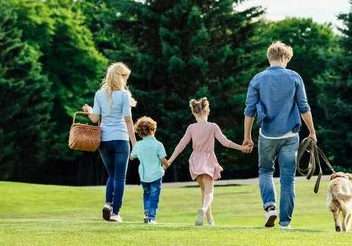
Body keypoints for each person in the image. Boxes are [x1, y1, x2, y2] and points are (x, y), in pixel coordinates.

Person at [243, 41, 317, 229]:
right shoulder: (294, 77)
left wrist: (247, 136)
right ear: (284, 58)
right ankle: (285, 223)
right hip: (290, 135)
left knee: (265, 171)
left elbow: (249, 110)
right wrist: (312, 131)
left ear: (270, 58)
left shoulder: (257, 79)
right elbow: (303, 107)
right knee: (287, 179)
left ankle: (270, 208)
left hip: (267, 135)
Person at [167, 97, 252, 226]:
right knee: (209, 193)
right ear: (208, 111)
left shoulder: (191, 128)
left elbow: (181, 145)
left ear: (194, 113)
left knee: (203, 191)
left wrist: (169, 161)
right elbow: (225, 142)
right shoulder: (212, 126)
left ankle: (210, 221)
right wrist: (242, 148)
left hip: (195, 161)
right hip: (207, 161)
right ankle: (204, 209)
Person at [82, 62, 137, 223]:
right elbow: (128, 120)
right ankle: (115, 213)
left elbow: (94, 119)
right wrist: (134, 143)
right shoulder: (124, 96)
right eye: (126, 78)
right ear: (120, 77)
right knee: (120, 177)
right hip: (120, 139)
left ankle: (108, 204)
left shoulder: (99, 94)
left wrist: (89, 111)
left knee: (112, 175)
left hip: (104, 140)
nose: (126, 81)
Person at [129, 116, 169, 224]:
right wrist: (167, 164)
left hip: (144, 175)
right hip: (156, 175)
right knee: (154, 196)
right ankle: (151, 218)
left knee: (146, 194)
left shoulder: (138, 145)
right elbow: (163, 160)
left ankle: (147, 214)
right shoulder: (158, 145)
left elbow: (131, 157)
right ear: (153, 129)